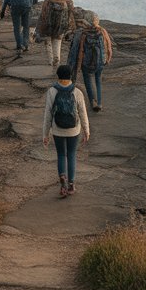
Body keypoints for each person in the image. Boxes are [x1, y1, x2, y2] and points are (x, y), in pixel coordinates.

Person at [42, 63, 89, 197]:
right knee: (72, 154)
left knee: (61, 155)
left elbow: (48, 114)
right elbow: (82, 112)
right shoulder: (77, 92)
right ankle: (71, 185)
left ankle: (63, 181)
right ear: (70, 77)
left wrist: (45, 134)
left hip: (57, 129)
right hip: (74, 130)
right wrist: (87, 130)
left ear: (58, 76)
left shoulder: (52, 91)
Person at [66, 10, 114, 112]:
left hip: (86, 63)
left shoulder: (81, 33)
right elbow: (109, 47)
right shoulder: (102, 31)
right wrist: (108, 58)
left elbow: (74, 50)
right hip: (100, 61)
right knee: (98, 81)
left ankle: (93, 101)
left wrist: (71, 67)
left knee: (88, 81)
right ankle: (99, 103)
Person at [35, 0, 75, 69]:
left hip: (48, 28)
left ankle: (51, 62)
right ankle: (56, 62)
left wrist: (38, 30)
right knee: (57, 44)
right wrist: (69, 28)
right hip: (60, 28)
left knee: (48, 43)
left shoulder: (47, 2)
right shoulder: (67, 2)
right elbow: (71, 15)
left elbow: (42, 17)